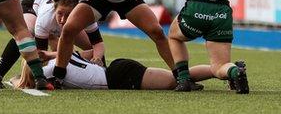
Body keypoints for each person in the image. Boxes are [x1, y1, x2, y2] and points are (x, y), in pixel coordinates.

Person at [12, 50, 213, 91]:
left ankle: (219, 70)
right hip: (116, 71)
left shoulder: (49, 71)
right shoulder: (59, 58)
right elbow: (83, 52)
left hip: (118, 77)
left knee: (171, 81)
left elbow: (23, 82)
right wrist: (51, 53)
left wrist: (16, 80)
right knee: (172, 79)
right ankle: (218, 70)